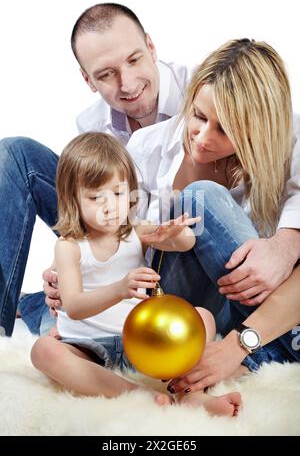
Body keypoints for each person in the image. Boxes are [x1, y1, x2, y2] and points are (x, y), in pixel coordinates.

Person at [0, 3, 190, 337]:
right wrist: (66, 267)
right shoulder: (91, 123)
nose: (127, 84)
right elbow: (96, 217)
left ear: (151, 46)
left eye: (134, 59)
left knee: (61, 328)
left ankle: (37, 309)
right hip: (114, 239)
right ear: (88, 80)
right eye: (106, 74)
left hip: (169, 255)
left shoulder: (202, 93)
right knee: (15, 154)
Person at [126, 38, 300, 392]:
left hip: (261, 318)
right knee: (199, 198)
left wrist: (288, 242)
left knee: (201, 199)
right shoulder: (146, 147)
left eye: (225, 129)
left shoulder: (290, 144)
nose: (203, 138)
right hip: (179, 309)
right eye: (199, 116)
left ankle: (257, 353)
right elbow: (117, 236)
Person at [30, 132, 241, 417]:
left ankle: (190, 392)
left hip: (140, 341)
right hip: (87, 346)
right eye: (95, 197)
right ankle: (135, 394)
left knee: (202, 317)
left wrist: (176, 235)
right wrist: (120, 288)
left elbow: (186, 244)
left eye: (118, 193)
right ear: (72, 199)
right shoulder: (69, 246)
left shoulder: (135, 231)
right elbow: (75, 307)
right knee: (43, 351)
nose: (110, 206)